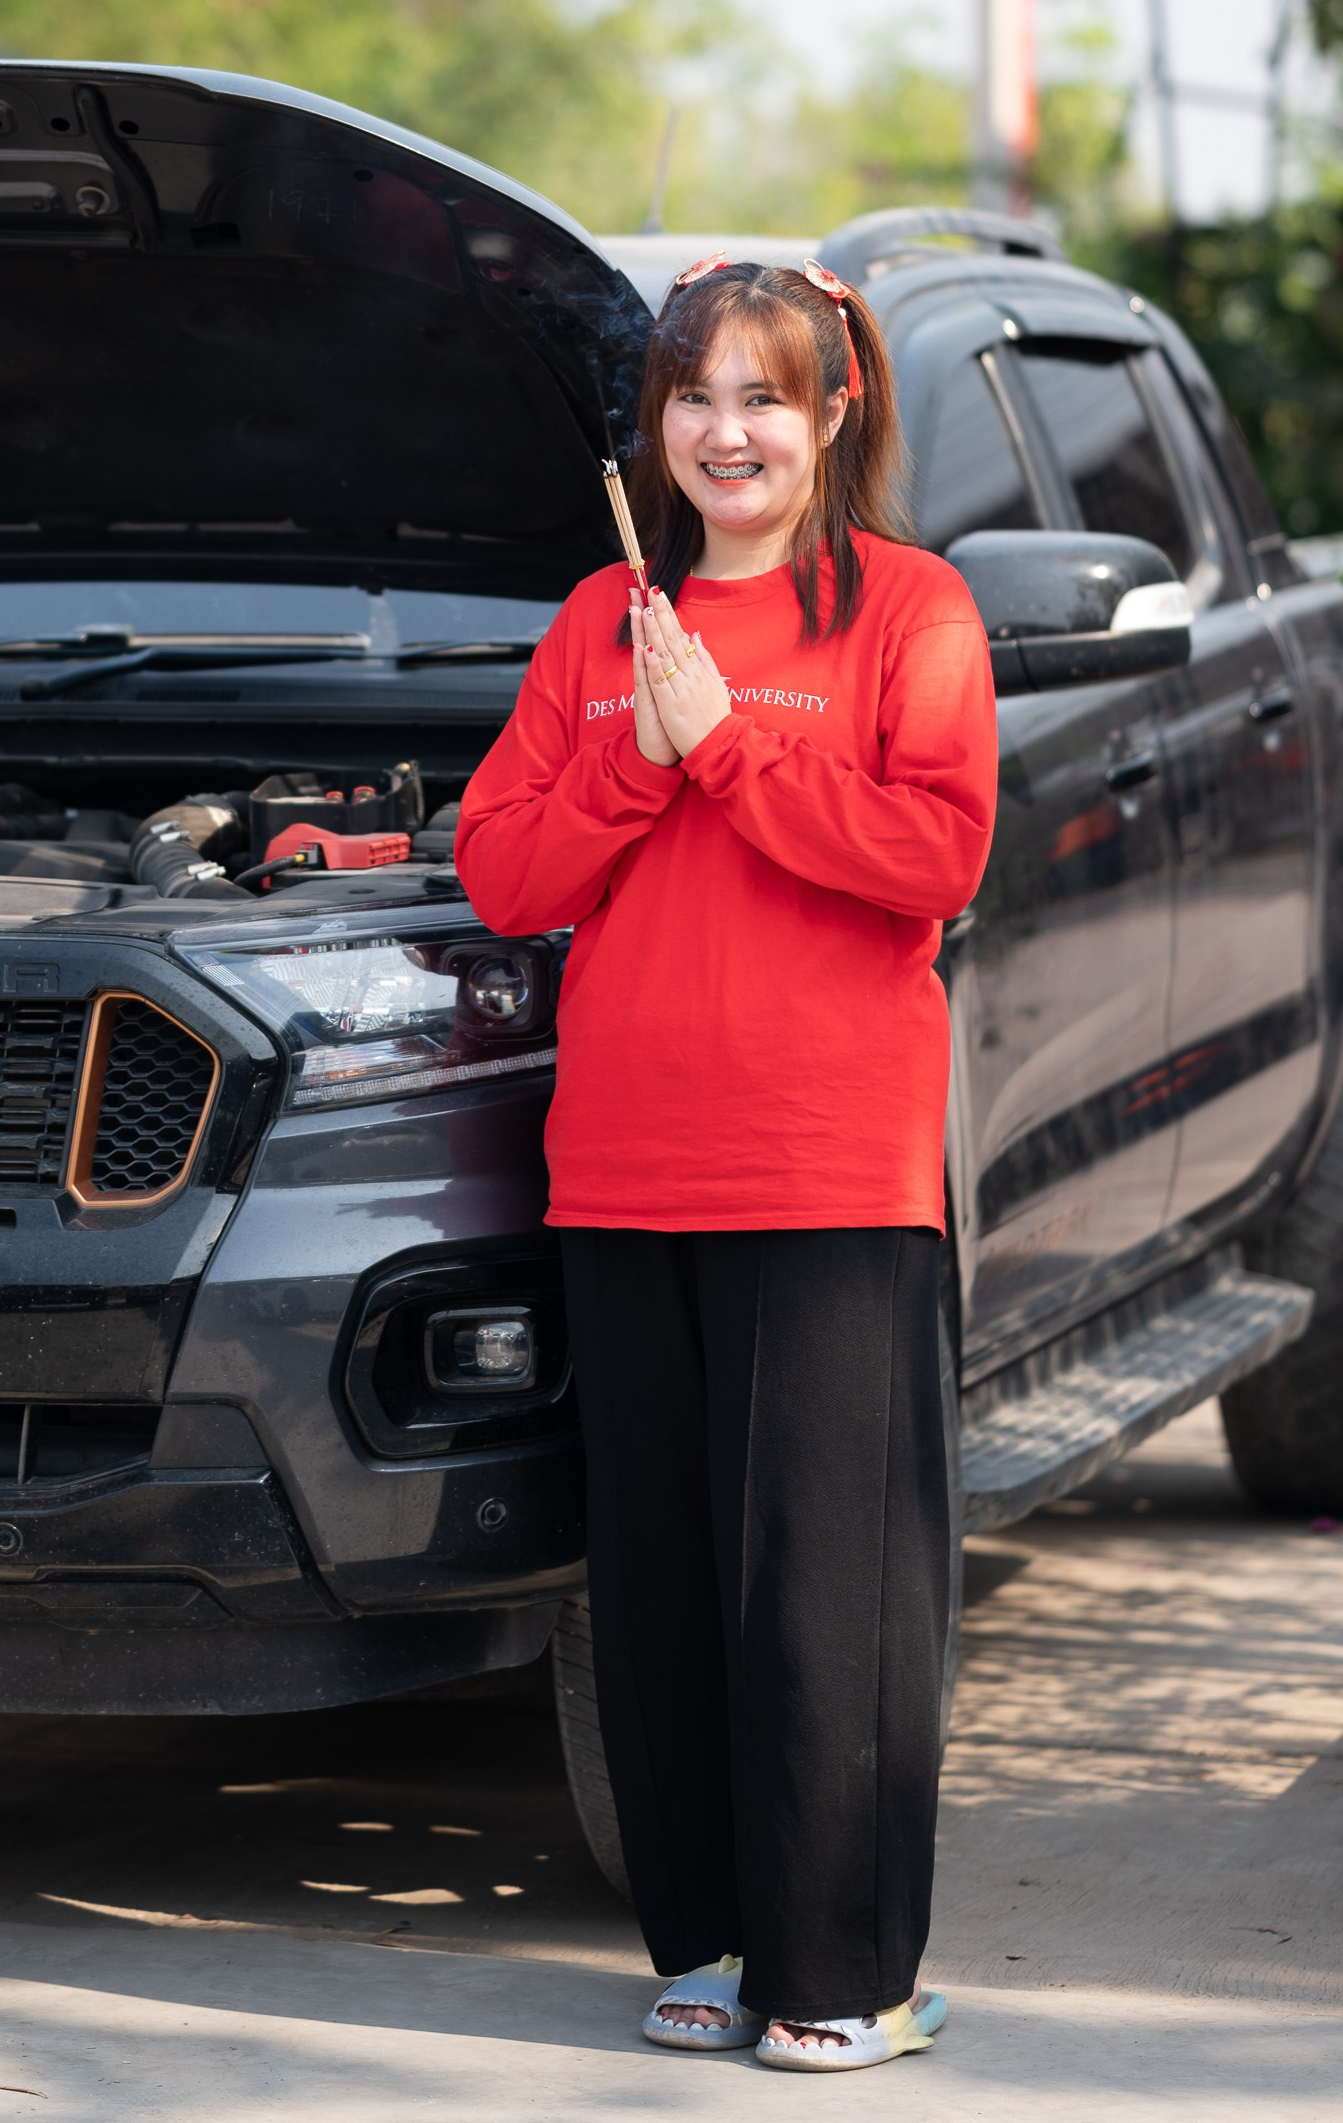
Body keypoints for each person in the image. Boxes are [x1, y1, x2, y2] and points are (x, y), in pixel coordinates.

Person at [457, 254, 997, 2073]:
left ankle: (842, 1969)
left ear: (835, 411)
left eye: (765, 395)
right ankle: (698, 1941)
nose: (727, 430)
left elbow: (934, 854)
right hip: (624, 1165)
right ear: (656, 427)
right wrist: (640, 760)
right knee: (663, 1585)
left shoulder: (911, 611)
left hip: (830, 1171)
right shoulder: (595, 628)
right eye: (695, 396)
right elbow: (505, 871)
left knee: (825, 1591)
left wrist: (732, 757)